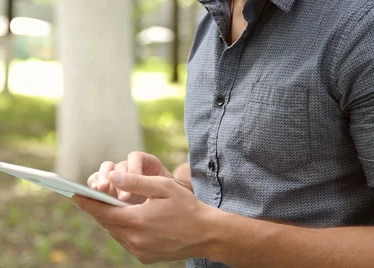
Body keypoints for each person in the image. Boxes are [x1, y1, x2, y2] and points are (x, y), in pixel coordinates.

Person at [73, 0, 374, 267]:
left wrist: (210, 235)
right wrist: (169, 190)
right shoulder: (211, 20)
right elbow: (234, 180)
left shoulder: (361, 25)